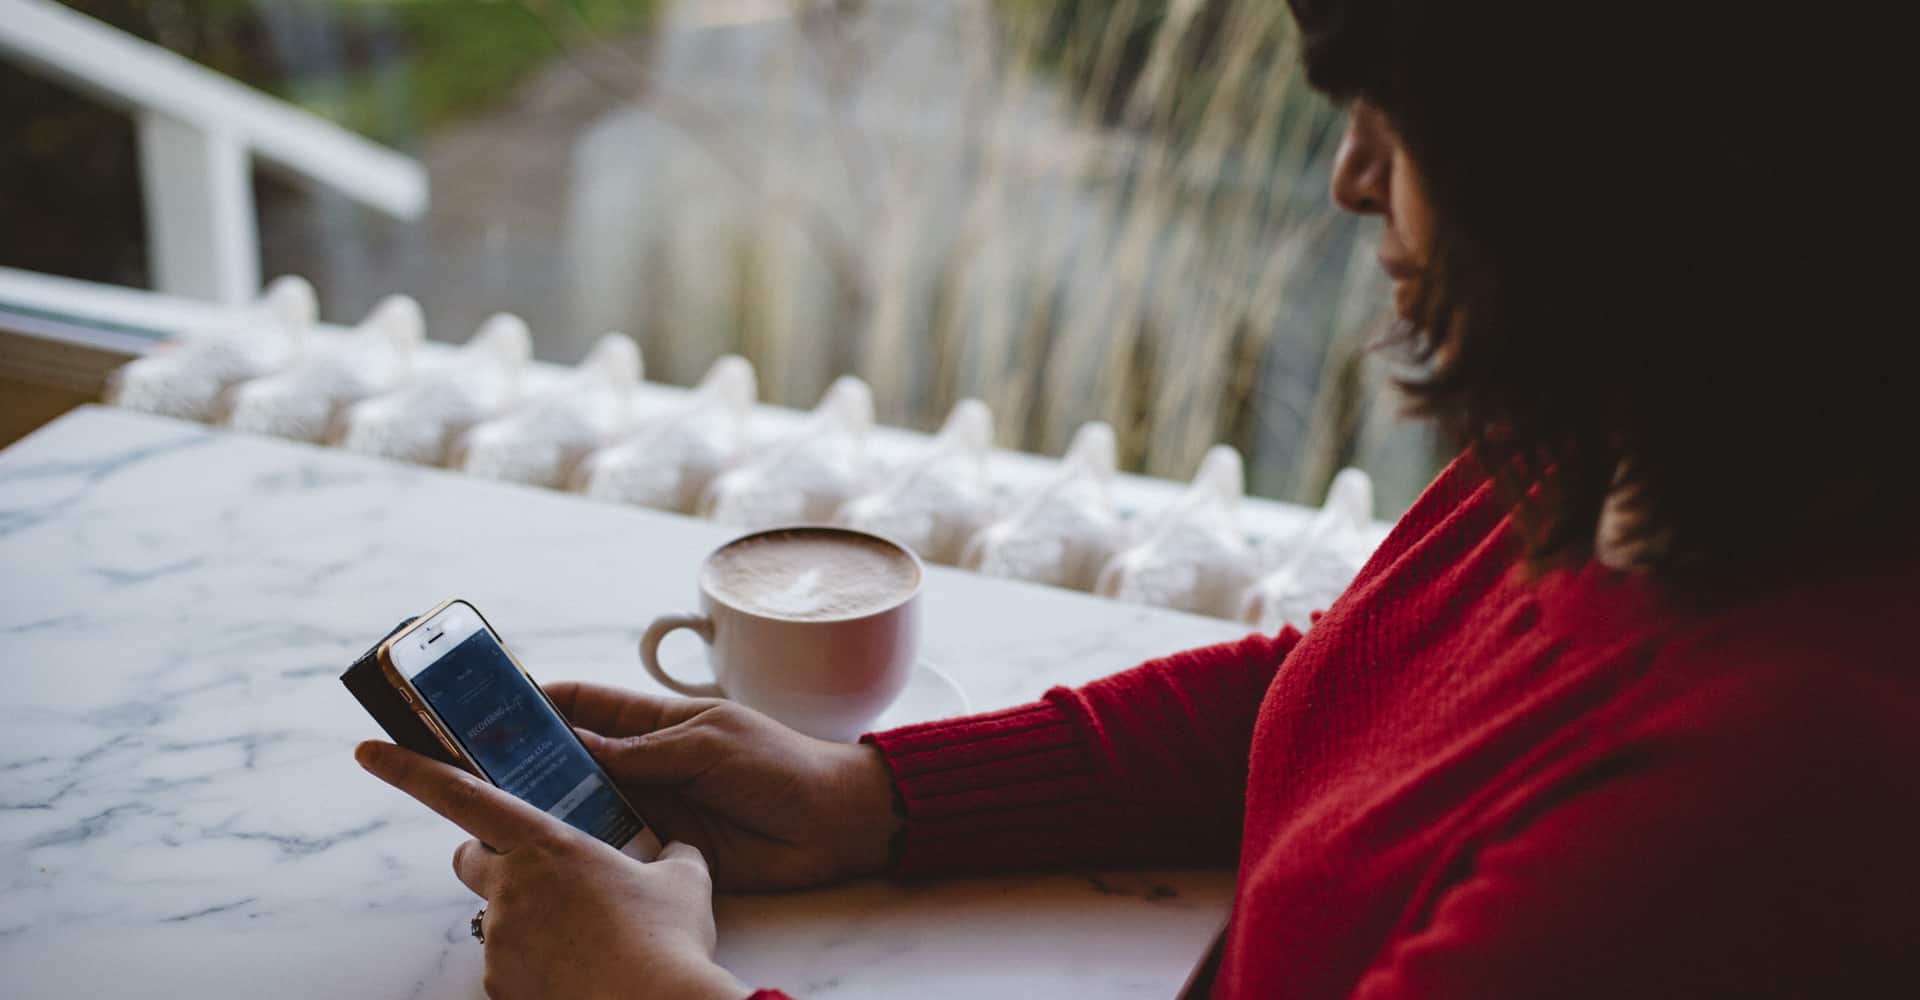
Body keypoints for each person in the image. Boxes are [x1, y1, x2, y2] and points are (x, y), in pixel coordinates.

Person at [354, 1, 1918, 997]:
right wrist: (882, 798)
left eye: (1402, 125)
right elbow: (1356, 691)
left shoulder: (1785, 780)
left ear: (1615, 190)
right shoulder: (1624, 447)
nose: (1348, 179)